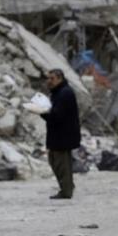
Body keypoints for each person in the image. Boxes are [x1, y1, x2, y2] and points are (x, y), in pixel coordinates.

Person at [41, 69, 81, 199]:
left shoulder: (65, 93)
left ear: (60, 79)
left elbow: (57, 116)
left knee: (62, 164)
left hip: (63, 136)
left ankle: (66, 191)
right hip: (57, 135)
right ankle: (66, 187)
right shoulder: (58, 93)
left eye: (52, 78)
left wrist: (42, 112)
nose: (49, 81)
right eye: (48, 78)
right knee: (54, 162)